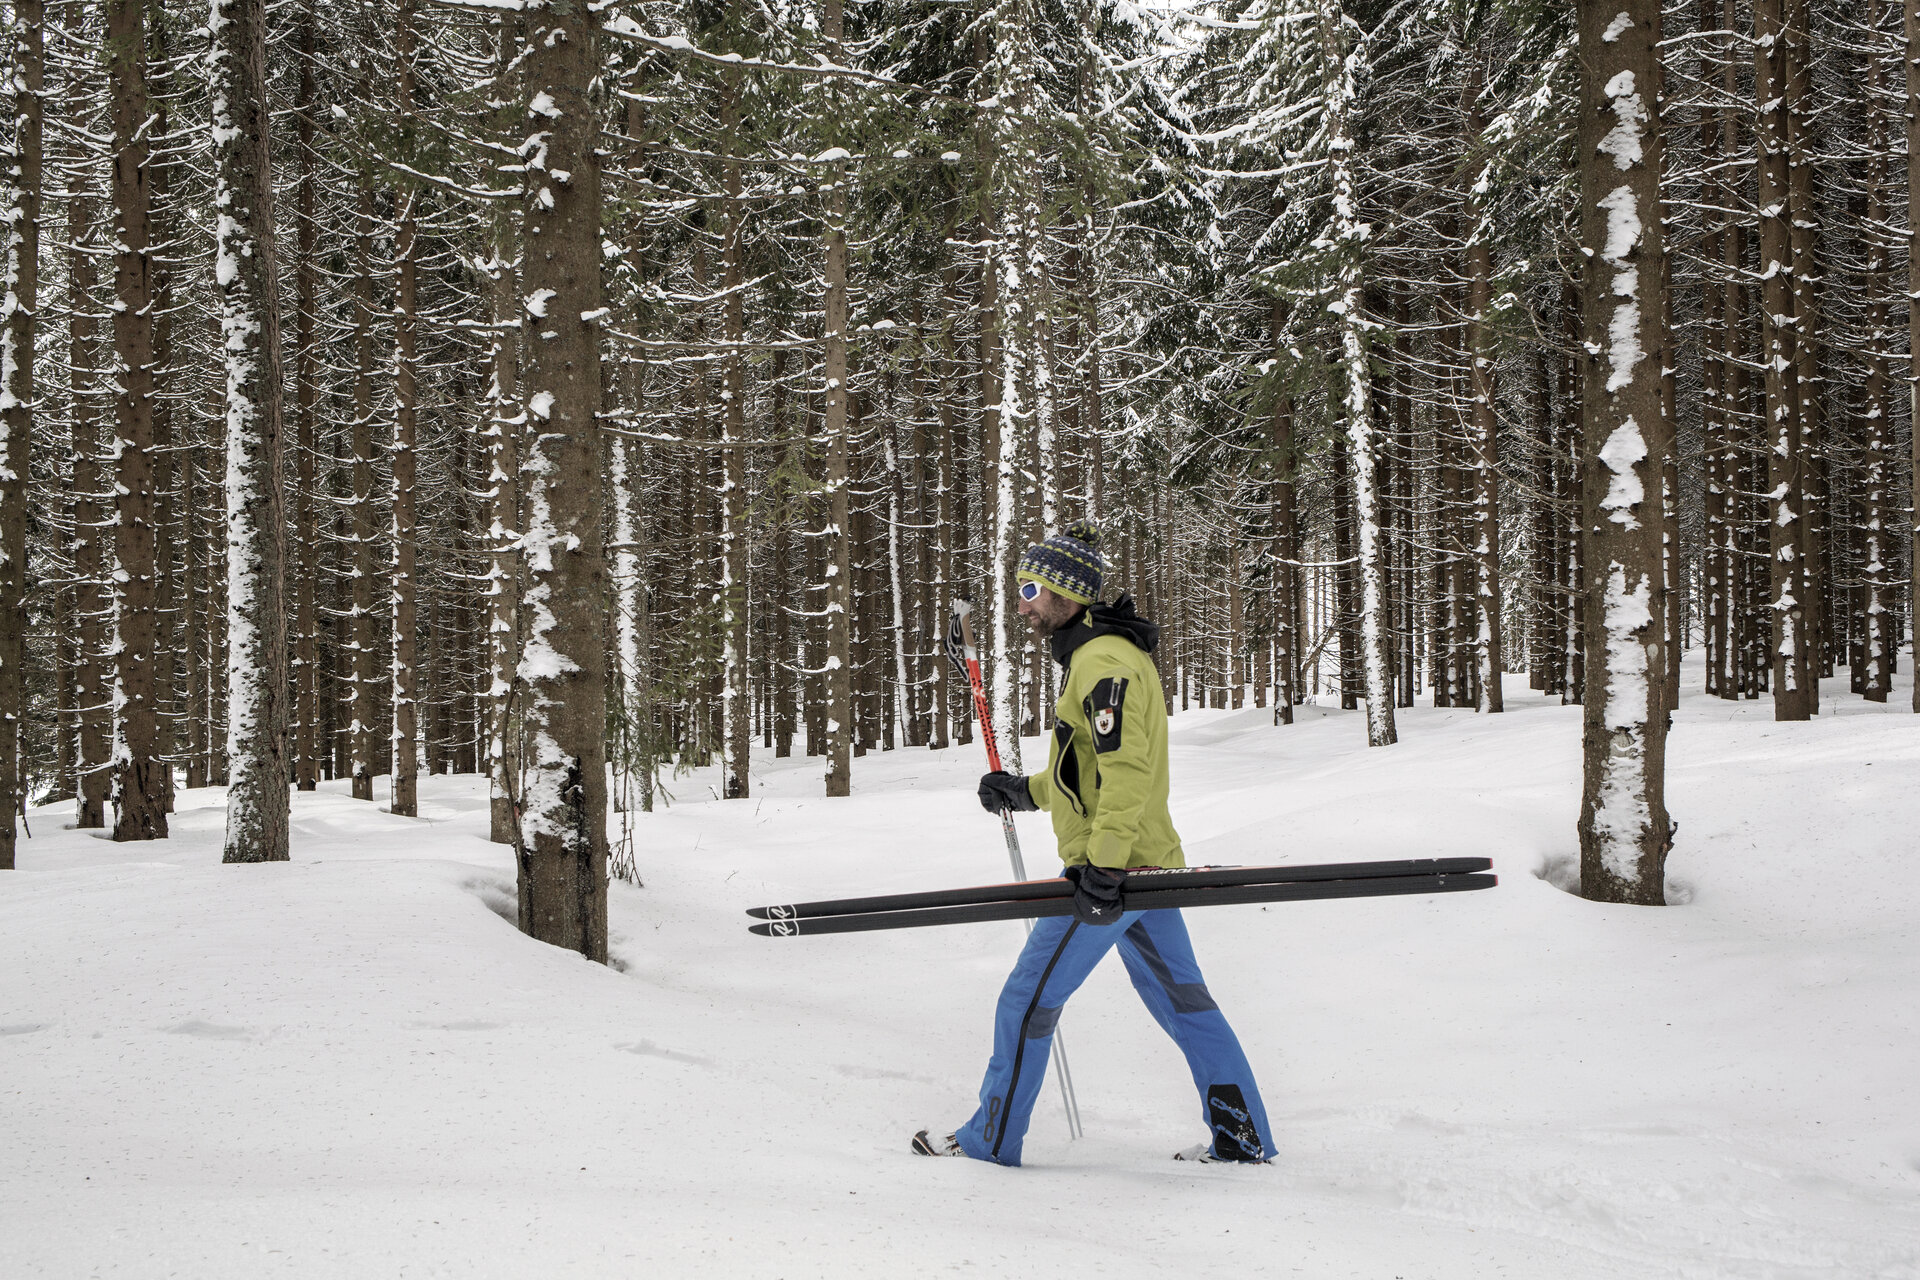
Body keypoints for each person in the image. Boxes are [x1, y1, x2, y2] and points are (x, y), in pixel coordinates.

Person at [913, 522, 1275, 1167]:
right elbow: (1088, 776)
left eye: (1031, 590)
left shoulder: (1103, 663)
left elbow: (1126, 773)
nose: (1022, 604)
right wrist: (1024, 792)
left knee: (1027, 998)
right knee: (1186, 1003)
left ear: (1068, 594)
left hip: (1116, 872)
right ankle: (1242, 1139)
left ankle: (989, 1141)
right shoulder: (1097, 657)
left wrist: (1103, 869)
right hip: (1148, 866)